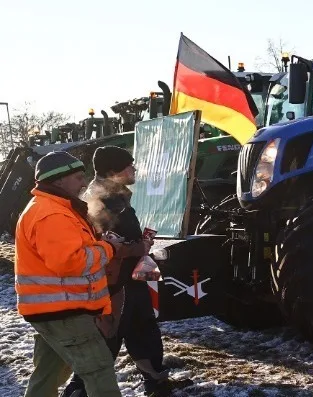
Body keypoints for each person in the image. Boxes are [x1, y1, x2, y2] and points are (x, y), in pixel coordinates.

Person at [15, 151, 150, 397]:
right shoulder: (52, 214)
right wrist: (109, 248)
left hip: (53, 310)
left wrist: (98, 242)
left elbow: (70, 251)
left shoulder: (55, 208)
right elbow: (71, 261)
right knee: (99, 372)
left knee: (48, 373)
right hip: (65, 312)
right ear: (58, 182)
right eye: (77, 177)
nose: (83, 182)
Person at [61, 146, 189, 397]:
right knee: (107, 339)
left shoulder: (113, 196)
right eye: (129, 166)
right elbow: (101, 244)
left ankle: (156, 381)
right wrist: (137, 247)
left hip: (131, 280)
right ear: (113, 171)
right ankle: (80, 390)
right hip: (114, 285)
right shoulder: (102, 201)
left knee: (143, 330)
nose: (134, 170)